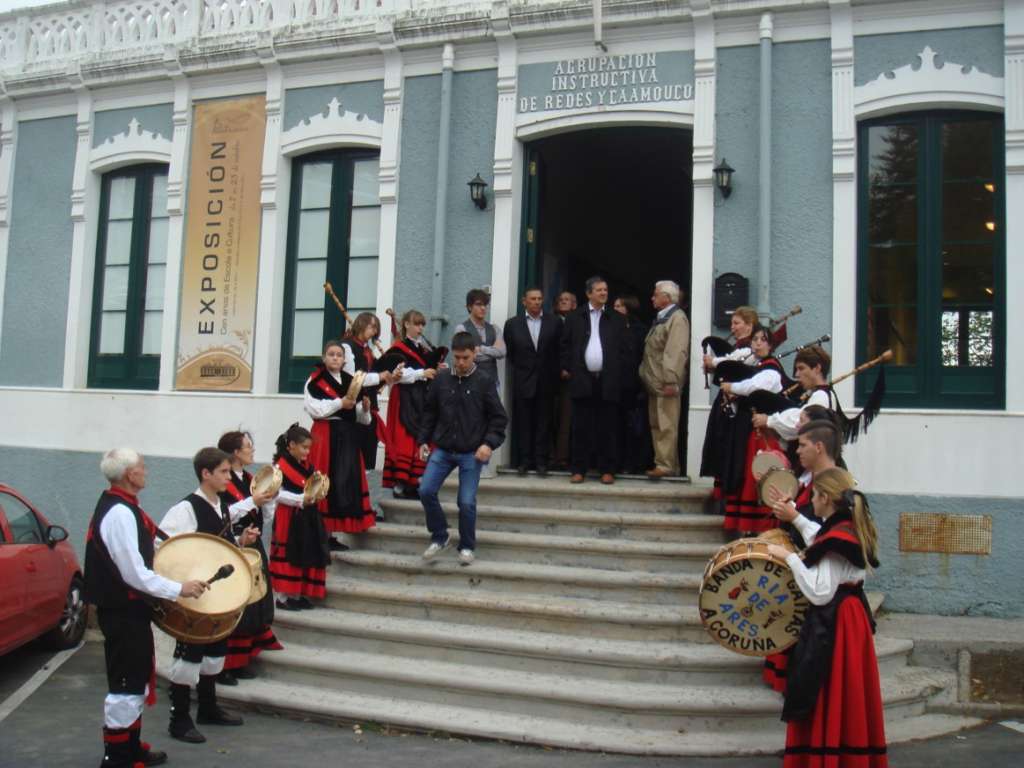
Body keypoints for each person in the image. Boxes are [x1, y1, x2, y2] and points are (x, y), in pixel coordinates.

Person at [85, 448, 207, 768]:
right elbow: (134, 573)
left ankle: (130, 746)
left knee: (134, 681)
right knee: (125, 687)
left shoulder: (125, 507)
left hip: (130, 612)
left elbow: (148, 549)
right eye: (142, 466)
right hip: (122, 612)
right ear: (129, 475)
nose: (146, 470)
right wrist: (179, 588)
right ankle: (117, 758)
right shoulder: (120, 513)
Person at [766, 468, 887, 768]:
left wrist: (789, 558)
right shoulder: (845, 527)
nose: (810, 501)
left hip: (836, 623)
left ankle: (829, 758)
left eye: (814, 496)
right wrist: (794, 516)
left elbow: (819, 592)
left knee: (825, 691)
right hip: (849, 618)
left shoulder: (837, 541)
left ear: (826, 498)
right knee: (845, 695)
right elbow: (820, 537)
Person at [160, 447, 256, 743]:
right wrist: (183, 582)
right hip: (195, 598)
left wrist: (240, 541)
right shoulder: (185, 509)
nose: (230, 477)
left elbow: (218, 546)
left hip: (219, 597)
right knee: (188, 658)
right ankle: (179, 719)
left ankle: (208, 708)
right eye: (225, 472)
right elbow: (162, 547)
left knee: (214, 654)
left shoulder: (221, 506)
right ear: (206, 473)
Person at [761, 418, 841, 693]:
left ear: (819, 447)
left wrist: (793, 516)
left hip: (819, 583)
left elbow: (833, 537)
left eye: (803, 445)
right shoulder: (812, 480)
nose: (797, 450)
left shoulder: (837, 484)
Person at [416, 331, 508, 565]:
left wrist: (488, 444)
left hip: (471, 451)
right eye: (457, 357)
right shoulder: (441, 379)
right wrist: (423, 441)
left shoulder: (484, 381)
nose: (460, 362)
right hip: (443, 448)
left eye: (465, 358)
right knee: (426, 490)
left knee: (466, 501)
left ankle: (466, 546)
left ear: (474, 355)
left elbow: (499, 418)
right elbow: (429, 413)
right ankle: (440, 536)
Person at [215, 430, 283, 685]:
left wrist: (268, 500)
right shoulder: (223, 481)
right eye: (248, 446)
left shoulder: (252, 479)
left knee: (255, 604)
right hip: (232, 547)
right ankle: (222, 666)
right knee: (234, 607)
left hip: (253, 547)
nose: (252, 450)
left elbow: (265, 518)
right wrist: (251, 501)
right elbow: (222, 514)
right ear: (235, 452)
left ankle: (241, 661)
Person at [560, 275, 630, 484]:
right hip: (582, 380)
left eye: (605, 290)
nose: (603, 293)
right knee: (580, 427)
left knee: (607, 427)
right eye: (599, 290)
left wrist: (619, 374)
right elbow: (564, 345)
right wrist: (568, 368)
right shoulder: (575, 317)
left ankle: (607, 469)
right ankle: (578, 469)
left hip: (607, 382)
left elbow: (626, 351)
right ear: (589, 293)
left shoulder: (617, 319)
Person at [717, 324, 786, 534]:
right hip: (746, 429)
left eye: (762, 339)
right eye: (754, 339)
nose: (757, 343)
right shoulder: (756, 365)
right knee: (743, 472)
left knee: (755, 475)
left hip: (762, 434)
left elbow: (754, 387)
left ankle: (759, 526)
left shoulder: (772, 370)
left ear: (771, 344)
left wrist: (731, 387)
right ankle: (744, 526)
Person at [306, 339, 376, 542]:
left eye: (338, 355)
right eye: (331, 354)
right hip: (324, 433)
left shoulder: (351, 380)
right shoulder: (315, 380)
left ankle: (334, 532)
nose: (335, 358)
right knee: (325, 480)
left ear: (344, 359)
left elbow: (363, 419)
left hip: (347, 435)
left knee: (344, 481)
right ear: (324, 357)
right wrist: (340, 403)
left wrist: (364, 408)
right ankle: (320, 532)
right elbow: (314, 409)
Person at [379, 310, 444, 499]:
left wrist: (435, 369)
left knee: (420, 438)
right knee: (404, 438)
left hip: (422, 398)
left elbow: (424, 369)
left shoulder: (423, 350)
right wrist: (421, 374)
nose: (420, 328)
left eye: (422, 324)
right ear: (406, 324)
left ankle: (414, 482)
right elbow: (394, 374)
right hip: (404, 398)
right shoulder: (398, 348)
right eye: (416, 324)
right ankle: (400, 482)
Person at [699, 305, 759, 508]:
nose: (732, 328)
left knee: (732, 448)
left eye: (737, 323)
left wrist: (714, 362)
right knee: (720, 443)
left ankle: (728, 493)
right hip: (726, 402)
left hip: (739, 407)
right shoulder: (738, 347)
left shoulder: (751, 349)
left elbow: (740, 360)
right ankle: (720, 490)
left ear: (750, 325)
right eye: (732, 323)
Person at [268, 424, 330, 611]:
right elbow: (275, 493)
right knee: (289, 552)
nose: (307, 451)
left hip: (307, 514)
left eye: (309, 448)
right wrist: (299, 499)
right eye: (304, 447)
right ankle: (282, 596)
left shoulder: (308, 467)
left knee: (305, 551)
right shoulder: (279, 467)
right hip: (288, 515)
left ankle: (297, 593)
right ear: (291, 445)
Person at [503, 287, 562, 475]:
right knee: (524, 421)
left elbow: (559, 350)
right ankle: (525, 460)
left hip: (547, 380)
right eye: (533, 299)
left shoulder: (554, 322)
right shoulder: (512, 324)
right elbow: (511, 353)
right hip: (523, 380)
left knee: (544, 422)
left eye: (539, 299)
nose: (537, 302)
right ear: (524, 301)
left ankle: (541, 461)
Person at [639, 280, 690, 478]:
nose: (652, 297)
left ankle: (666, 465)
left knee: (666, 424)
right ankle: (665, 463)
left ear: (666, 298)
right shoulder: (663, 318)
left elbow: (675, 352)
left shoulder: (677, 319)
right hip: (655, 383)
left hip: (665, 383)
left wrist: (671, 380)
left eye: (656, 294)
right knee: (658, 424)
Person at [755, 345, 837, 442]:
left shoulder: (821, 396)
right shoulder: (817, 394)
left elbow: (799, 422)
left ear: (817, 368)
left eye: (801, 368)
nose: (797, 374)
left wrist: (769, 420)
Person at [342, 312, 392, 471]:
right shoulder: (347, 346)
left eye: (376, 328)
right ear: (361, 325)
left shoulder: (367, 350)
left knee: (368, 453)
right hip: (353, 405)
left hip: (369, 404)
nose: (374, 331)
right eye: (372, 327)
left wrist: (391, 373)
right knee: (354, 454)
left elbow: (377, 373)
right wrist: (379, 376)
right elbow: (353, 378)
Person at [613, 294, 654, 475]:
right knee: (614, 426)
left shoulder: (640, 330)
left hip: (635, 386)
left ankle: (633, 462)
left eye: (619, 306)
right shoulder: (609, 328)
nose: (615, 309)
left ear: (628, 308)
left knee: (634, 427)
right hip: (614, 386)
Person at [454, 288, 506, 385]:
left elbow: (502, 352)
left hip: (492, 383)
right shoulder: (462, 328)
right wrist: (492, 351)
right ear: (469, 307)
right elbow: (466, 356)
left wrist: (481, 349)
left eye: (485, 304)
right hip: (470, 383)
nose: (483, 308)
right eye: (479, 304)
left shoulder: (495, 329)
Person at [552, 291, 578, 469]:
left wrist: (567, 367)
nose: (563, 302)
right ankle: (551, 456)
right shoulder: (550, 321)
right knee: (552, 416)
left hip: (572, 378)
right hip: (550, 378)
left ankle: (564, 457)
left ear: (574, 305)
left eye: (567, 300)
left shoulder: (578, 322)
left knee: (568, 418)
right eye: (560, 300)